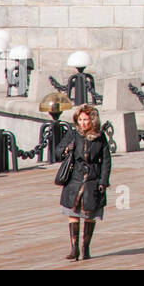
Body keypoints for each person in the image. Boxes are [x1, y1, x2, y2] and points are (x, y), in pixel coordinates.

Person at [54, 104, 111, 261]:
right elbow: (57, 152)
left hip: (92, 180)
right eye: (80, 119)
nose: (83, 123)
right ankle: (74, 249)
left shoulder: (100, 137)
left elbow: (106, 160)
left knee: (89, 215)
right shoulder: (73, 135)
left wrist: (103, 181)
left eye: (86, 119)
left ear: (92, 120)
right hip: (75, 179)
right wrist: (66, 150)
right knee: (73, 214)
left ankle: (85, 249)